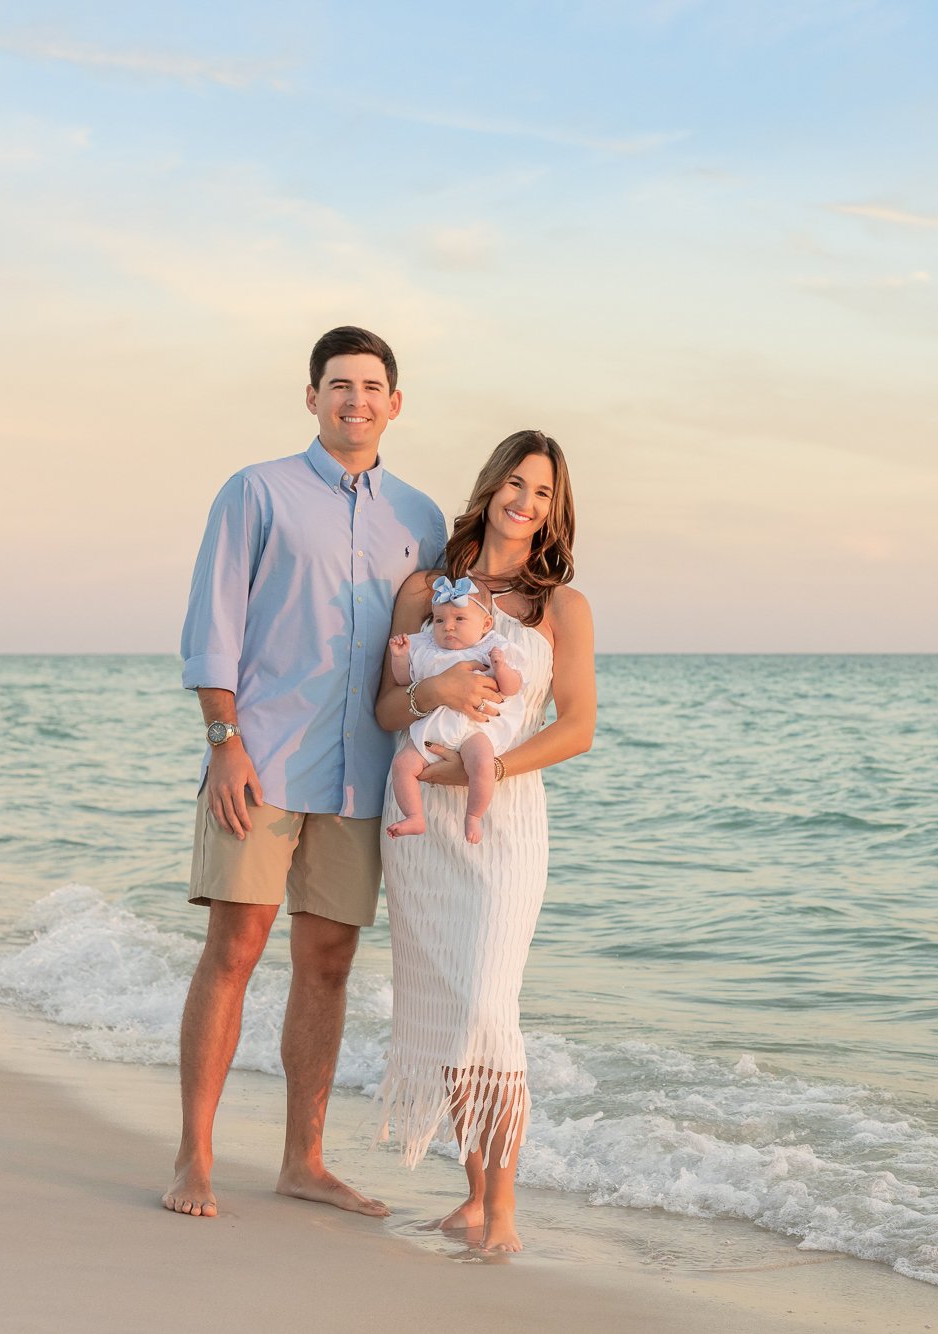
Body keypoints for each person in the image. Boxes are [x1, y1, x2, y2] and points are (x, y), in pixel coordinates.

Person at [163, 326, 447, 1220]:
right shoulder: (257, 493)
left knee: (326, 963)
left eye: (371, 386)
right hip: (264, 761)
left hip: (364, 774)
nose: (354, 399)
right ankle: (194, 1160)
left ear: (394, 404)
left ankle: (303, 1162)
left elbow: (430, 644)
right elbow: (213, 624)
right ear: (313, 397)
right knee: (234, 952)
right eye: (338, 384)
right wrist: (224, 742)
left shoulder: (422, 518)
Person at [373, 429, 596, 1254]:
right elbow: (385, 710)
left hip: (503, 820)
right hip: (422, 827)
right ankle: (472, 1197)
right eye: (515, 482)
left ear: (553, 510)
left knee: (486, 1003)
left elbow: (578, 727)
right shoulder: (426, 589)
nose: (524, 501)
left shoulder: (560, 607)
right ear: (491, 486)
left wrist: (489, 767)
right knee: (446, 1002)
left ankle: (504, 1212)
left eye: (541, 492)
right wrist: (428, 688)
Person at [385, 575, 527, 843]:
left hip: (474, 728)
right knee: (403, 764)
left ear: (485, 624)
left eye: (459, 619)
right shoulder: (427, 648)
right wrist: (400, 657)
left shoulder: (492, 648)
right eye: (439, 620)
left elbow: (512, 687)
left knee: (483, 763)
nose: (448, 627)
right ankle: (414, 816)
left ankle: (473, 815)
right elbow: (405, 682)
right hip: (433, 729)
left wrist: (501, 668)